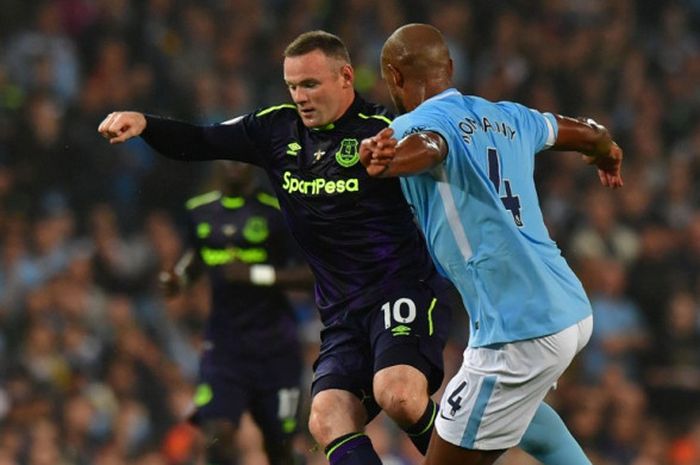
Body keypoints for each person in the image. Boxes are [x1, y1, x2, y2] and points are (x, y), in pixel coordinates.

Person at [99, 30, 460, 465]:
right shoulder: (275, 129)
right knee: (326, 419)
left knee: (398, 393)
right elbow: (202, 140)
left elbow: (443, 168)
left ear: (346, 76)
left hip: (401, 289)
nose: (300, 96)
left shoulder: (384, 130)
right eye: (292, 86)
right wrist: (145, 124)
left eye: (310, 84)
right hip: (343, 314)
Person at [359, 23, 624, 465]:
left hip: (519, 331)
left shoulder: (415, 124)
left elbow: (430, 146)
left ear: (394, 76)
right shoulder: (508, 115)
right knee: (528, 420)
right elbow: (580, 131)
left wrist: (389, 161)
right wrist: (607, 150)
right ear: (450, 68)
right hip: (568, 308)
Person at [159, 160, 313, 465]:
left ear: (254, 163)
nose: (233, 164)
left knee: (279, 448)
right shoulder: (199, 210)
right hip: (224, 346)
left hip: (275, 347)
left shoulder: (277, 212)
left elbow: (310, 274)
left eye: (240, 157)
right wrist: (180, 278)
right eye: (226, 156)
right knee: (217, 434)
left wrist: (255, 275)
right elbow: (196, 255)